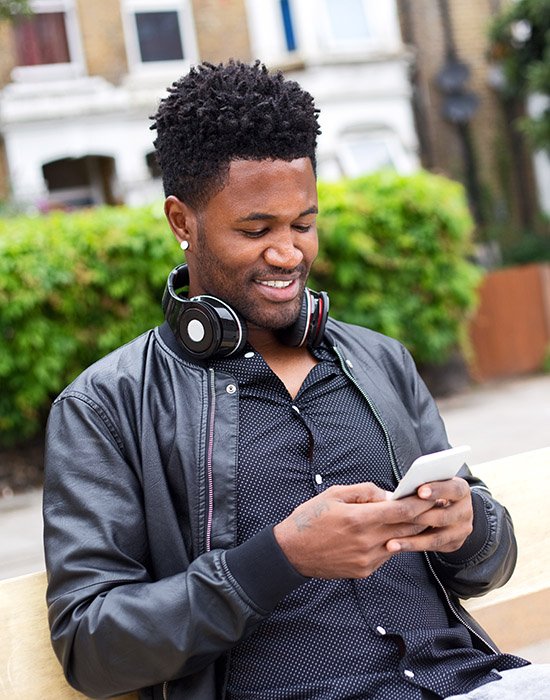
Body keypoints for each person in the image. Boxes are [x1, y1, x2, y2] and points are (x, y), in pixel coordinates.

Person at [43, 60, 548, 700]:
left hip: (469, 683)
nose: (288, 254)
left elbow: (486, 564)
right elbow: (93, 648)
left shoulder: (379, 361)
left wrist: (468, 524)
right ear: (182, 222)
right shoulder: (106, 407)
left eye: (302, 225)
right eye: (255, 230)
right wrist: (279, 560)